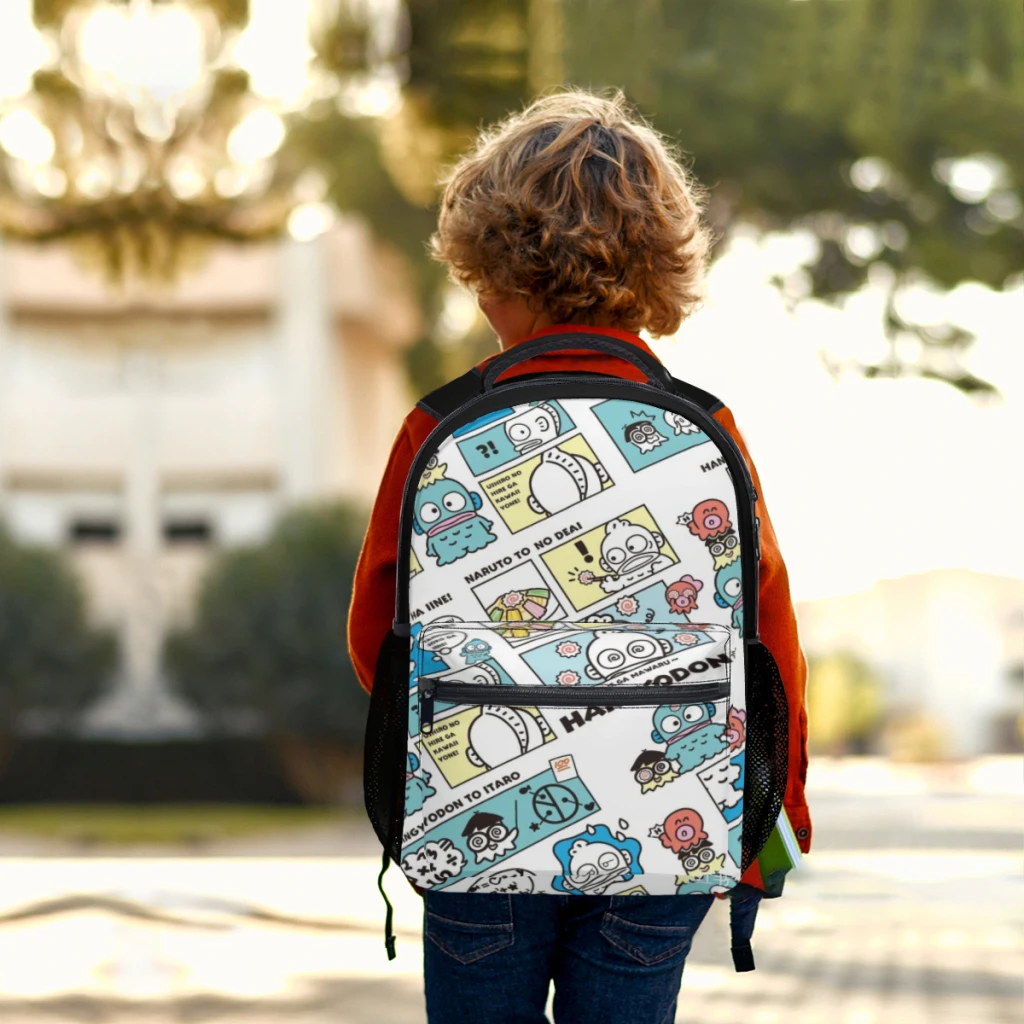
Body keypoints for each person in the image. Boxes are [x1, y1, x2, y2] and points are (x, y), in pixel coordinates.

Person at [349, 89, 810, 1024]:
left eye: (480, 279)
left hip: (480, 829)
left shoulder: (438, 426)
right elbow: (769, 639)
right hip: (661, 829)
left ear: (495, 270)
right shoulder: (706, 428)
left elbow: (375, 637)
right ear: (659, 268)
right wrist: (777, 811)